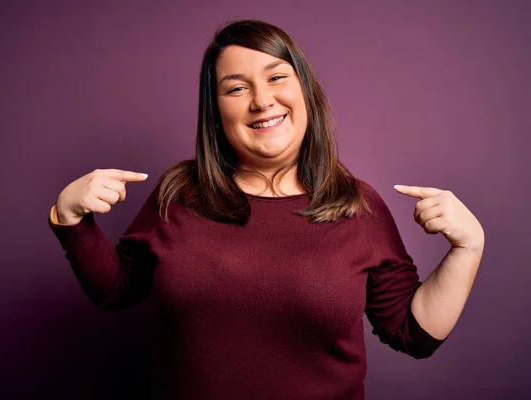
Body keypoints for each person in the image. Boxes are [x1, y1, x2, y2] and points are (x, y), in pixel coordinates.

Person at [47, 20, 484, 400]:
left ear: (305, 93)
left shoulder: (358, 206)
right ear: (216, 113)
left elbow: (413, 333)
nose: (261, 101)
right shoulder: (178, 193)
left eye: (277, 78)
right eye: (237, 88)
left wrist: (468, 248)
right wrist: (70, 220)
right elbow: (117, 288)